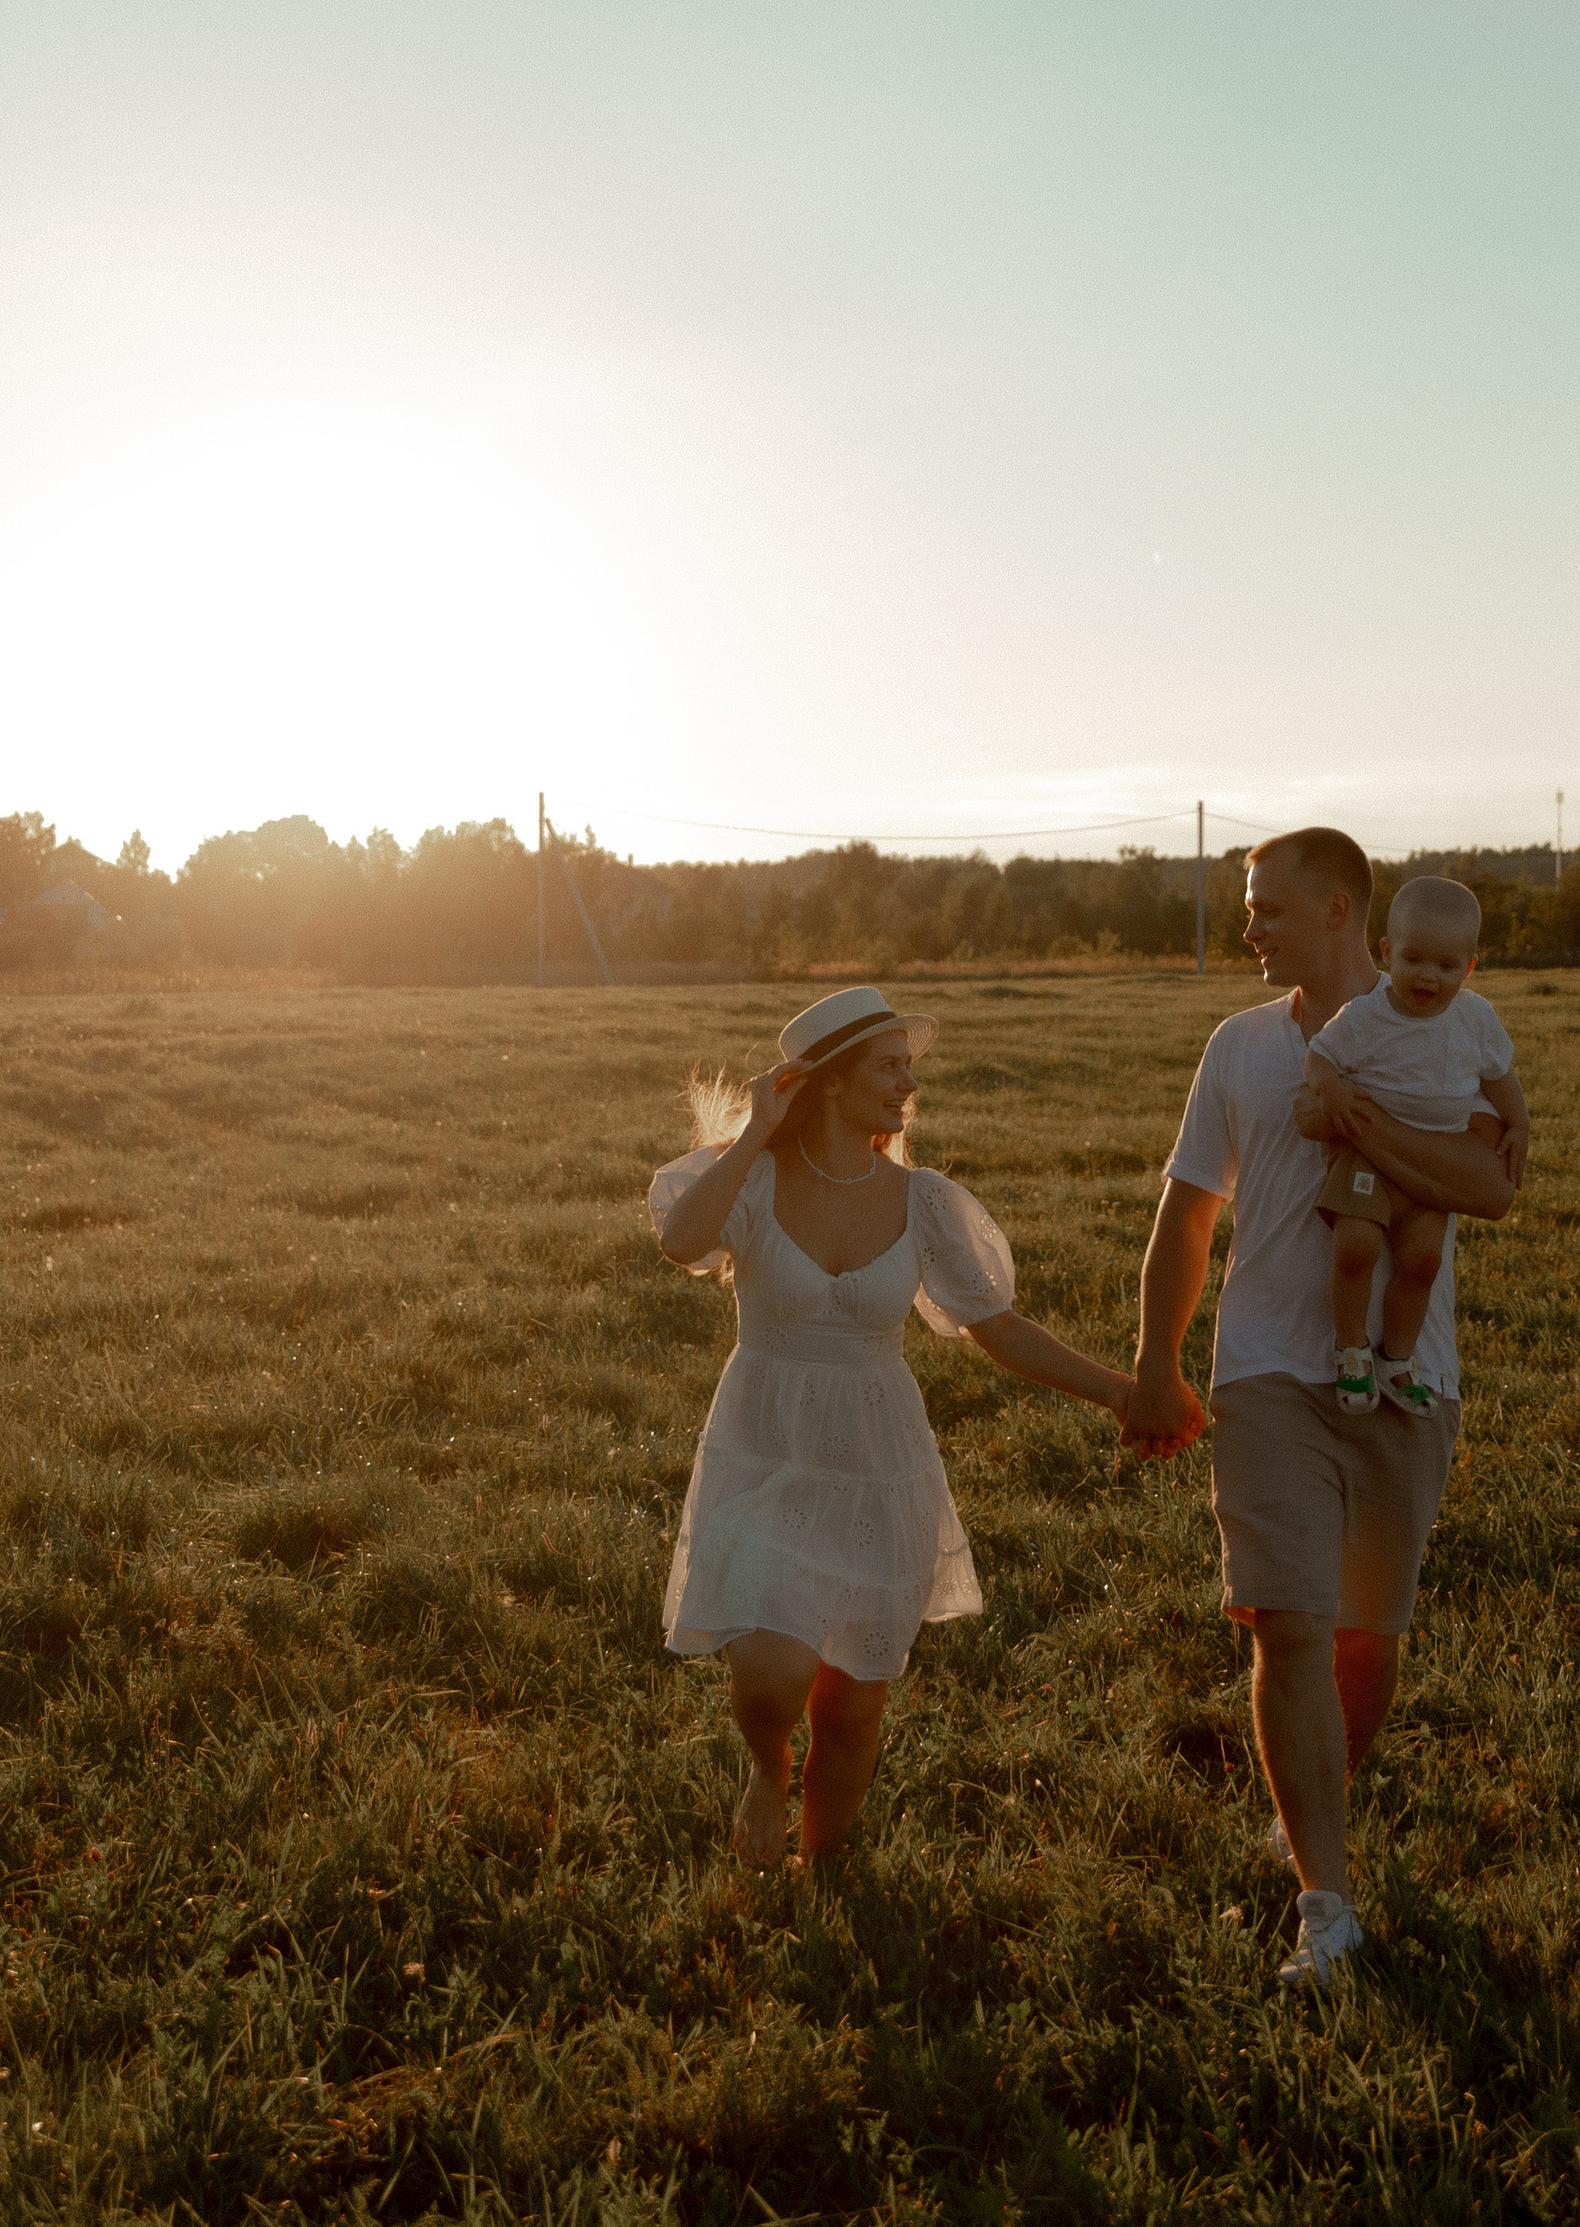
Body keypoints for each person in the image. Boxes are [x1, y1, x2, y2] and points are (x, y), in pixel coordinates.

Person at [1122, 830, 1522, 1988]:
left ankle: (1311, 1807)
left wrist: (1356, 1116)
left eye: (1266, 908)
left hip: (1407, 1376)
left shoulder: (1451, 1033)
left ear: (1338, 910)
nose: (1248, 926)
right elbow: (1188, 1213)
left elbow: (1487, 1186)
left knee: (1364, 1637)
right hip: (1264, 1373)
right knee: (1287, 1623)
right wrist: (1154, 1359)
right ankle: (1326, 1907)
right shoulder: (1239, 1046)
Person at [650, 983, 1134, 1869]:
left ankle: (825, 1870)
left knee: (851, 1705)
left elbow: (998, 1329)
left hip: (880, 1462)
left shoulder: (924, 1200)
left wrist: (1120, 1393)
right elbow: (682, 1243)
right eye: (888, 1067)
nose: (907, 1084)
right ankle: (767, 1769)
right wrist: (755, 1132)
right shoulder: (752, 1178)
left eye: (908, 1067)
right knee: (772, 1672)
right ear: (828, 1081)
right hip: (766, 1447)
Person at [1296, 875, 1529, 1421]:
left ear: (1469, 967)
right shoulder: (1366, 1015)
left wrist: (1519, 1124)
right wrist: (1330, 1089)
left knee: (1422, 1262)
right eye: (1414, 959)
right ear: (1386, 952)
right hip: (1366, 1156)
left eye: (1447, 966)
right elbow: (1320, 1056)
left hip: (1432, 1160)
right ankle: (1352, 1352)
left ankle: (1396, 1360)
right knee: (1356, 1246)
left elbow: (1500, 1076)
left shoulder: (1474, 1018)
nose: (1429, 976)